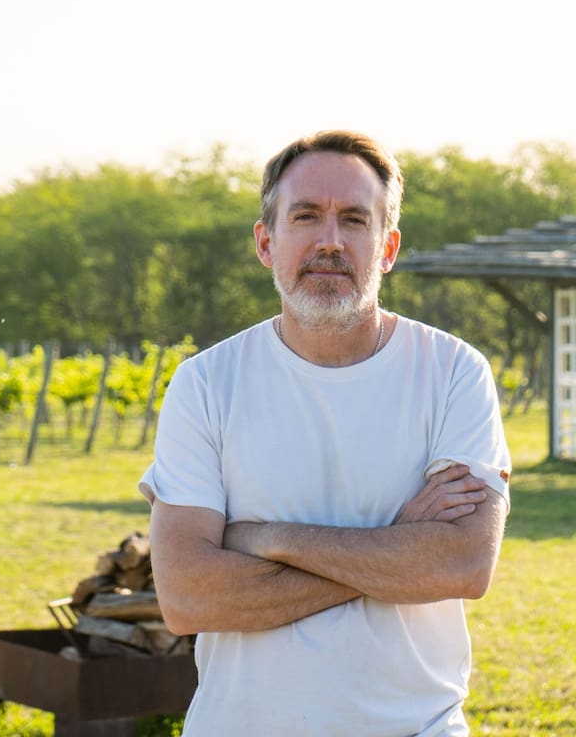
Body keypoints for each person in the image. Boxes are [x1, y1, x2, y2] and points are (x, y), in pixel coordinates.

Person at [139, 130, 511, 736]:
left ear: (387, 247)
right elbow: (187, 598)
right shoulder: (205, 383)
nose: (330, 241)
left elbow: (463, 564)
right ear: (267, 241)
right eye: (306, 216)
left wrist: (265, 538)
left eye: (355, 220)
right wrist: (398, 546)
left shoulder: (452, 372)